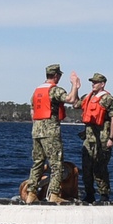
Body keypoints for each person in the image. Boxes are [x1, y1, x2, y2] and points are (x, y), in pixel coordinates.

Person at [24, 64, 80, 204]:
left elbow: (32, 112)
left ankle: (31, 193)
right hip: (50, 131)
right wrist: (75, 85)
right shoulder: (54, 90)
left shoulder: (37, 91)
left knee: (38, 162)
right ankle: (54, 194)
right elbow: (71, 100)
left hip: (36, 131)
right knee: (56, 164)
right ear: (56, 76)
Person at [74, 72, 113, 203]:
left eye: (96, 82)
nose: (93, 84)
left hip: (102, 139)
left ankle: (104, 195)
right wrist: (76, 87)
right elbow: (76, 104)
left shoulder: (108, 99)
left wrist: (111, 138)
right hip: (89, 139)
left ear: (102, 84)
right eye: (92, 82)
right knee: (86, 168)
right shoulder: (87, 97)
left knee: (100, 168)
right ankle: (89, 194)